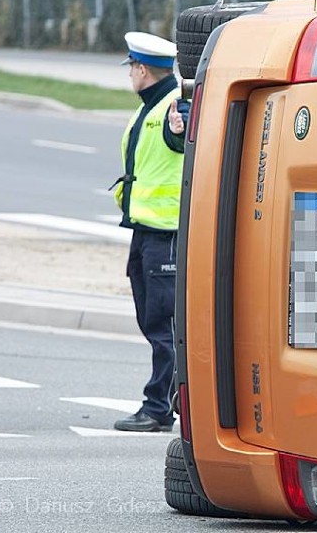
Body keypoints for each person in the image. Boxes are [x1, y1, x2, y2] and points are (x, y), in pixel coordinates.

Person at [112, 31, 189, 432]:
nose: (129, 75)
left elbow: (181, 136)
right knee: (154, 322)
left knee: (165, 327)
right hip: (147, 232)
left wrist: (181, 128)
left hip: (166, 234)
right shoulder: (152, 105)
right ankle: (167, 403)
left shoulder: (174, 105)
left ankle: (159, 407)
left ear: (142, 70)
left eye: (131, 69)